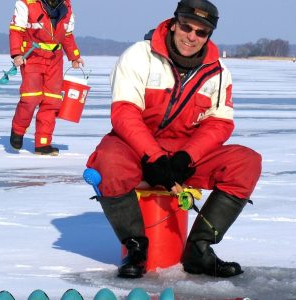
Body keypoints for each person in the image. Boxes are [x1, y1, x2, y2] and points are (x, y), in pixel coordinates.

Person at [86, 0, 262, 279]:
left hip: (183, 153)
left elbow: (219, 123)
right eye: (186, 27)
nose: (191, 36)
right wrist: (153, 157)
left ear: (209, 35)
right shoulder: (139, 56)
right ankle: (135, 248)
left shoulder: (218, 72)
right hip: (133, 147)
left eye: (201, 32)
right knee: (108, 162)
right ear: (174, 22)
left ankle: (198, 250)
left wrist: (186, 157)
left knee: (246, 163)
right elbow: (125, 114)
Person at [9, 0, 84, 155]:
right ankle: (18, 129)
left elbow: (67, 35)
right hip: (32, 55)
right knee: (30, 98)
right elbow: (16, 30)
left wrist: (74, 56)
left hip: (54, 59)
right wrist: (17, 53)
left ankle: (43, 143)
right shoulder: (26, 3)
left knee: (52, 101)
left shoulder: (67, 7)